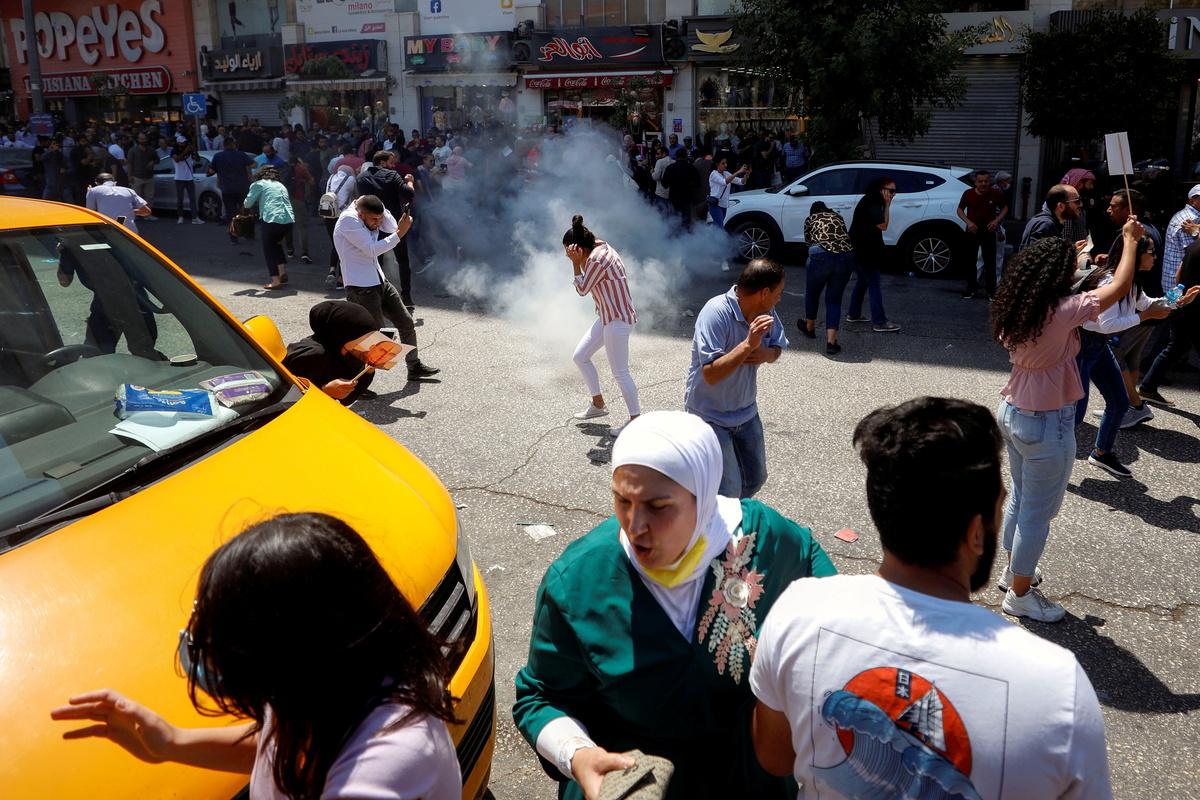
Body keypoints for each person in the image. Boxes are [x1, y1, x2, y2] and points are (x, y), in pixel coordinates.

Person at [750, 396, 1113, 800]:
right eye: (1000, 507)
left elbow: (774, 758)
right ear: (975, 533)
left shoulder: (798, 612)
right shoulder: (1056, 687)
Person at [513, 410, 836, 800]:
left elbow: (828, 596)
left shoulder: (761, 540)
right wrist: (577, 755)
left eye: (658, 506)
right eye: (622, 500)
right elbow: (541, 697)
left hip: (751, 777)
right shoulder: (579, 581)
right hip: (638, 783)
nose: (634, 526)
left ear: (704, 498)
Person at [51, 512, 462, 800]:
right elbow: (283, 749)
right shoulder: (331, 688)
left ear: (289, 649)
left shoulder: (380, 770)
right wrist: (172, 743)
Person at [989, 215, 1143, 622]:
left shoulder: (1019, 306)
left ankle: (1013, 573)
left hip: (1013, 411)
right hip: (1045, 423)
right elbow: (1120, 287)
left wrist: (1082, 259)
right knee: (1037, 514)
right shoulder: (1062, 311)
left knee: (1022, 498)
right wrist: (1130, 241)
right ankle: (1020, 595)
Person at [684, 259, 788, 498]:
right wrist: (748, 345)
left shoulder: (766, 311)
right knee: (728, 491)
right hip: (709, 417)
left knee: (755, 479)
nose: (779, 299)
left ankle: (728, 513)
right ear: (764, 293)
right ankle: (714, 516)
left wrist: (770, 354)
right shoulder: (715, 312)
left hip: (746, 412)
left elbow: (777, 347)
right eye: (778, 294)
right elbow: (710, 374)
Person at [333, 195, 439, 381]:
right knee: (372, 338)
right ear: (361, 214)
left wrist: (386, 212)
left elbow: (391, 227)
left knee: (406, 323)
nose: (377, 223)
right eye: (374, 219)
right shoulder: (348, 220)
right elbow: (372, 249)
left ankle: (414, 366)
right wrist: (399, 234)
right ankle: (355, 381)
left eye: (379, 218)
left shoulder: (368, 214)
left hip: (379, 282)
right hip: (360, 288)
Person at [563, 215, 640, 436]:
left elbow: (582, 289)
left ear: (578, 249)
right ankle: (598, 405)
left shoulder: (596, 260)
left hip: (617, 320)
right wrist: (580, 258)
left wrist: (576, 264)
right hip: (609, 317)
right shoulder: (601, 245)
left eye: (568, 251)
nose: (567, 255)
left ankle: (636, 422)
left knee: (621, 373)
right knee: (580, 356)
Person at [284, 301, 408, 405]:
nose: (370, 346)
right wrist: (324, 390)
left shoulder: (344, 351)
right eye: (364, 341)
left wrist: (370, 368)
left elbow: (348, 398)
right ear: (341, 335)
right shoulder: (312, 356)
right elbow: (285, 401)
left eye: (372, 339)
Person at [1138, 235, 1200, 408]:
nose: (1156, 257)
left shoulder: (1194, 245)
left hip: (1185, 307)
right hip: (1194, 312)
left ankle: (1147, 388)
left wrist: (1179, 301)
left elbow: (1177, 275)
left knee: (1176, 348)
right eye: (1152, 252)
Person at [358, 150, 417, 311]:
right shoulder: (392, 175)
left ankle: (378, 295)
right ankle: (406, 296)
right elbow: (409, 195)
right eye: (391, 162)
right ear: (382, 163)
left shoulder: (361, 178)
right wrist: (409, 182)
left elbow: (360, 202)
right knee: (403, 260)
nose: (394, 166)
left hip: (372, 225)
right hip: (395, 225)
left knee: (376, 261)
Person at [846, 176, 901, 333]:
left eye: (895, 191)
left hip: (858, 248)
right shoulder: (875, 201)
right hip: (866, 251)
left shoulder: (869, 199)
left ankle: (854, 313)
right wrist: (887, 205)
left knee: (862, 282)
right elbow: (883, 225)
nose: (894, 194)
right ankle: (879, 321)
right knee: (874, 284)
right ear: (881, 190)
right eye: (891, 191)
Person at [799, 201, 853, 355]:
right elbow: (844, 236)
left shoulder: (811, 219)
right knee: (834, 300)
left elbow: (808, 242)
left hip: (820, 254)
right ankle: (831, 342)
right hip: (845, 255)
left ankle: (809, 328)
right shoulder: (837, 216)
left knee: (813, 293)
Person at [241, 165, 295, 290]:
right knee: (276, 244)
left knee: (268, 250)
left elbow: (247, 203)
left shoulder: (259, 184)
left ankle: (275, 281)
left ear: (261, 173)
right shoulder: (280, 185)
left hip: (271, 220)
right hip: (288, 222)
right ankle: (282, 271)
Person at [957, 169, 1008, 299]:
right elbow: (960, 210)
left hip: (988, 231)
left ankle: (991, 291)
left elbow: (1005, 208)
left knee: (990, 262)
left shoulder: (995, 193)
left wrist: (996, 221)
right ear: (975, 182)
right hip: (972, 230)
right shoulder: (968, 193)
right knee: (970, 261)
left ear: (990, 181)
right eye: (980, 182)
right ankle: (971, 289)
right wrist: (968, 222)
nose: (983, 184)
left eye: (986, 181)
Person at [209, 137, 256, 245]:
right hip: (241, 187)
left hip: (227, 188)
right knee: (245, 211)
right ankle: (248, 233)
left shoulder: (218, 156)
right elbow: (253, 165)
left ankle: (233, 237)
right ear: (233, 144)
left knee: (230, 213)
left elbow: (212, 170)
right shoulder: (241, 155)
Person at [324, 164, 357, 288]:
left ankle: (332, 270)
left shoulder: (330, 178)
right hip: (342, 217)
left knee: (335, 244)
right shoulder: (350, 179)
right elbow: (355, 195)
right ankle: (340, 279)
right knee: (344, 246)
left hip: (328, 216)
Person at [85, 172, 152, 234]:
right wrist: (127, 211)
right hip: (130, 232)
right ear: (115, 182)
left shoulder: (93, 191)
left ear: (97, 183)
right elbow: (146, 212)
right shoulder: (129, 191)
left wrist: (89, 192)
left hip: (107, 231)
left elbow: (91, 213)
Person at [1020, 183, 1080, 249]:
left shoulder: (1048, 222)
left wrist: (1072, 249)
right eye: (1077, 201)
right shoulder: (1045, 225)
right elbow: (1036, 254)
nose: (1080, 205)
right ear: (1061, 206)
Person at [707, 154, 748, 231]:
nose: (725, 165)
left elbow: (741, 182)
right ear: (717, 164)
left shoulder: (726, 173)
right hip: (715, 204)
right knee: (719, 226)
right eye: (723, 163)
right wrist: (738, 172)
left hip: (723, 204)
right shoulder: (714, 174)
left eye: (726, 163)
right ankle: (716, 239)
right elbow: (724, 182)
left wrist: (747, 174)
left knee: (718, 226)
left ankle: (711, 238)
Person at [171, 138, 203, 224]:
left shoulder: (189, 151)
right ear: (178, 143)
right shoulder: (174, 151)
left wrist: (194, 151)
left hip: (189, 178)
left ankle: (195, 217)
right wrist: (185, 152)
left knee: (192, 198)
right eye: (182, 143)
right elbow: (177, 159)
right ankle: (181, 216)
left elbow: (197, 159)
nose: (184, 144)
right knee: (180, 199)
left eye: (185, 142)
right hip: (179, 178)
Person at [126, 133, 158, 220]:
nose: (144, 140)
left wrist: (153, 162)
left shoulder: (151, 150)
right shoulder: (133, 150)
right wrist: (129, 175)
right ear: (138, 140)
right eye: (142, 139)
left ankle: (148, 214)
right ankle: (134, 215)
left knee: (149, 196)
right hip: (137, 176)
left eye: (145, 139)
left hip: (149, 176)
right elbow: (129, 163)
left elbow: (157, 159)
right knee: (135, 196)